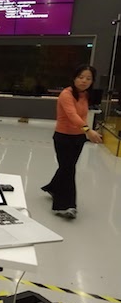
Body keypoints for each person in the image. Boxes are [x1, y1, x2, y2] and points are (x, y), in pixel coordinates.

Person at [41, 64, 102, 219]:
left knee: (67, 167)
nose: (84, 81)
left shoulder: (86, 95)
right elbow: (72, 115)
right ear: (74, 78)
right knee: (69, 170)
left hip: (78, 138)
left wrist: (86, 132)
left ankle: (53, 187)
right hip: (63, 137)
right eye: (81, 77)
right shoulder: (66, 94)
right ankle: (65, 205)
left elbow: (82, 116)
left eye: (88, 78)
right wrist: (88, 130)